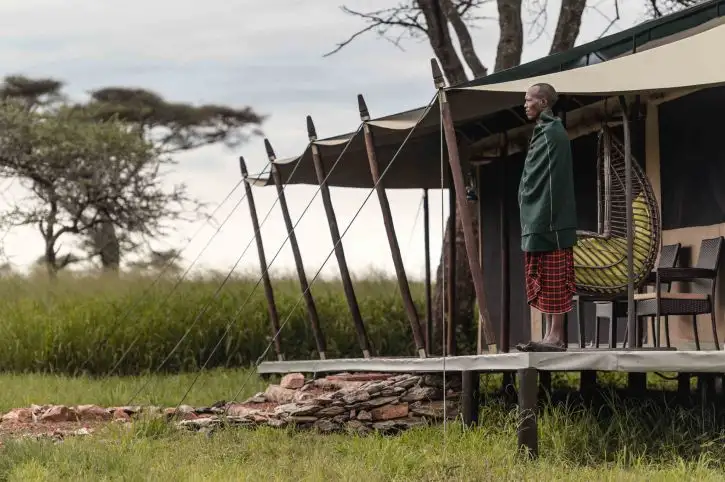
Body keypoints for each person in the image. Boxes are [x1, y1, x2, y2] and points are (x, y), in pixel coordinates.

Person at [515, 83, 577, 352]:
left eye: (529, 100)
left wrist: (540, 210)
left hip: (552, 219)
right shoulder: (543, 131)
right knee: (548, 275)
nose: (525, 104)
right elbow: (535, 173)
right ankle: (551, 335)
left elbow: (552, 180)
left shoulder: (553, 133)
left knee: (555, 277)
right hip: (542, 216)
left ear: (543, 103)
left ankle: (556, 336)